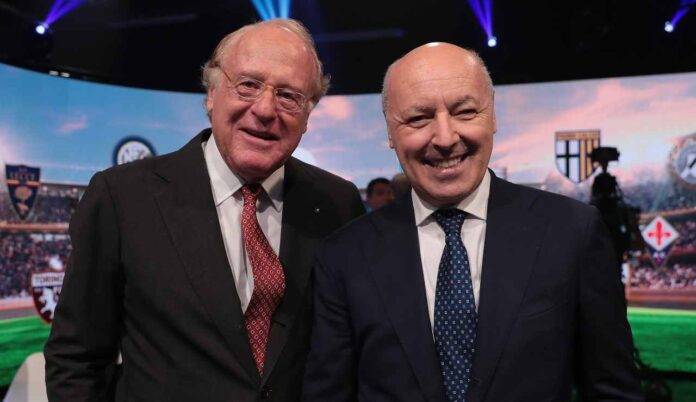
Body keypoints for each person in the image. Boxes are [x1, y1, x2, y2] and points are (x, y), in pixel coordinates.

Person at [44, 19, 365, 402]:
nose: (265, 109)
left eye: (288, 96)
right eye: (248, 85)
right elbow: (77, 358)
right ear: (211, 93)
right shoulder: (122, 197)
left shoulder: (338, 203)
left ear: (308, 115)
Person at [303, 43, 643, 401]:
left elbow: (613, 391)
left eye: (465, 112)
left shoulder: (571, 231)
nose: (445, 138)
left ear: (492, 116)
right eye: (418, 119)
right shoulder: (345, 255)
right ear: (390, 132)